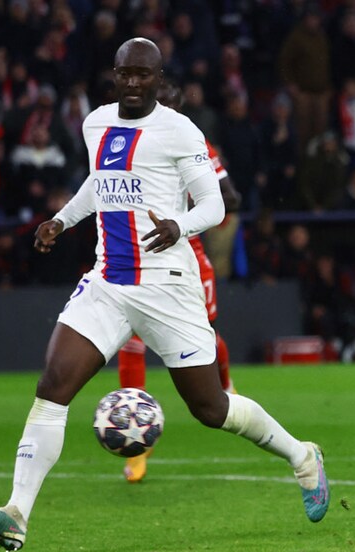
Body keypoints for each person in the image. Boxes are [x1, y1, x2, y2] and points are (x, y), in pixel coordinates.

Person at [0, 39, 329, 552]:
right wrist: (62, 220)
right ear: (114, 76)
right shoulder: (95, 123)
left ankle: (302, 456)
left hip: (167, 284)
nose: (135, 83)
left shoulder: (179, 129)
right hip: (109, 281)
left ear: (159, 80)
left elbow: (215, 206)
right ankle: (16, 514)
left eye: (145, 76)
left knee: (209, 408)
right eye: (127, 75)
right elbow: (100, 183)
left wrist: (178, 226)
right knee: (53, 385)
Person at [117, 79, 244, 483]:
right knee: (132, 340)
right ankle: (137, 442)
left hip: (186, 257)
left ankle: (226, 386)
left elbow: (230, 199)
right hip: (133, 254)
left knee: (204, 336)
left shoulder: (194, 144)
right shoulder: (122, 140)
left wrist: (203, 188)